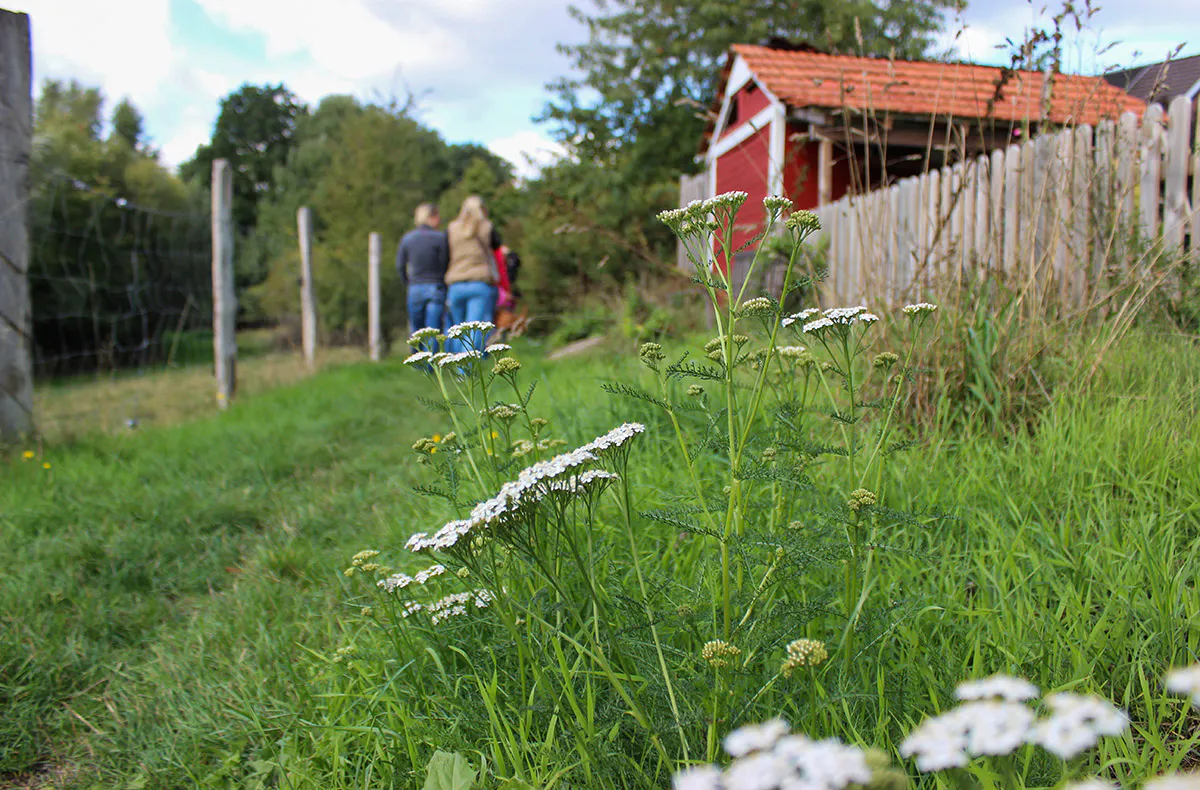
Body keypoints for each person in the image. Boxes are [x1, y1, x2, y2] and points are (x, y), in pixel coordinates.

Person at [445, 195, 501, 353]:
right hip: (479, 283)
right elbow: (497, 246)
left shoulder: (451, 228)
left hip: (456, 284)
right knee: (473, 330)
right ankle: (467, 366)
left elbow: (445, 254)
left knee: (457, 331)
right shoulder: (487, 227)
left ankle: (456, 363)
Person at [397, 203, 449, 346]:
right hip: (435, 286)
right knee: (433, 330)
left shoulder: (407, 239)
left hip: (415, 287)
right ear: (431, 217)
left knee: (416, 331)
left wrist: (408, 282)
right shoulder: (440, 238)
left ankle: (417, 357)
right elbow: (445, 262)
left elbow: (400, 265)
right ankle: (432, 359)